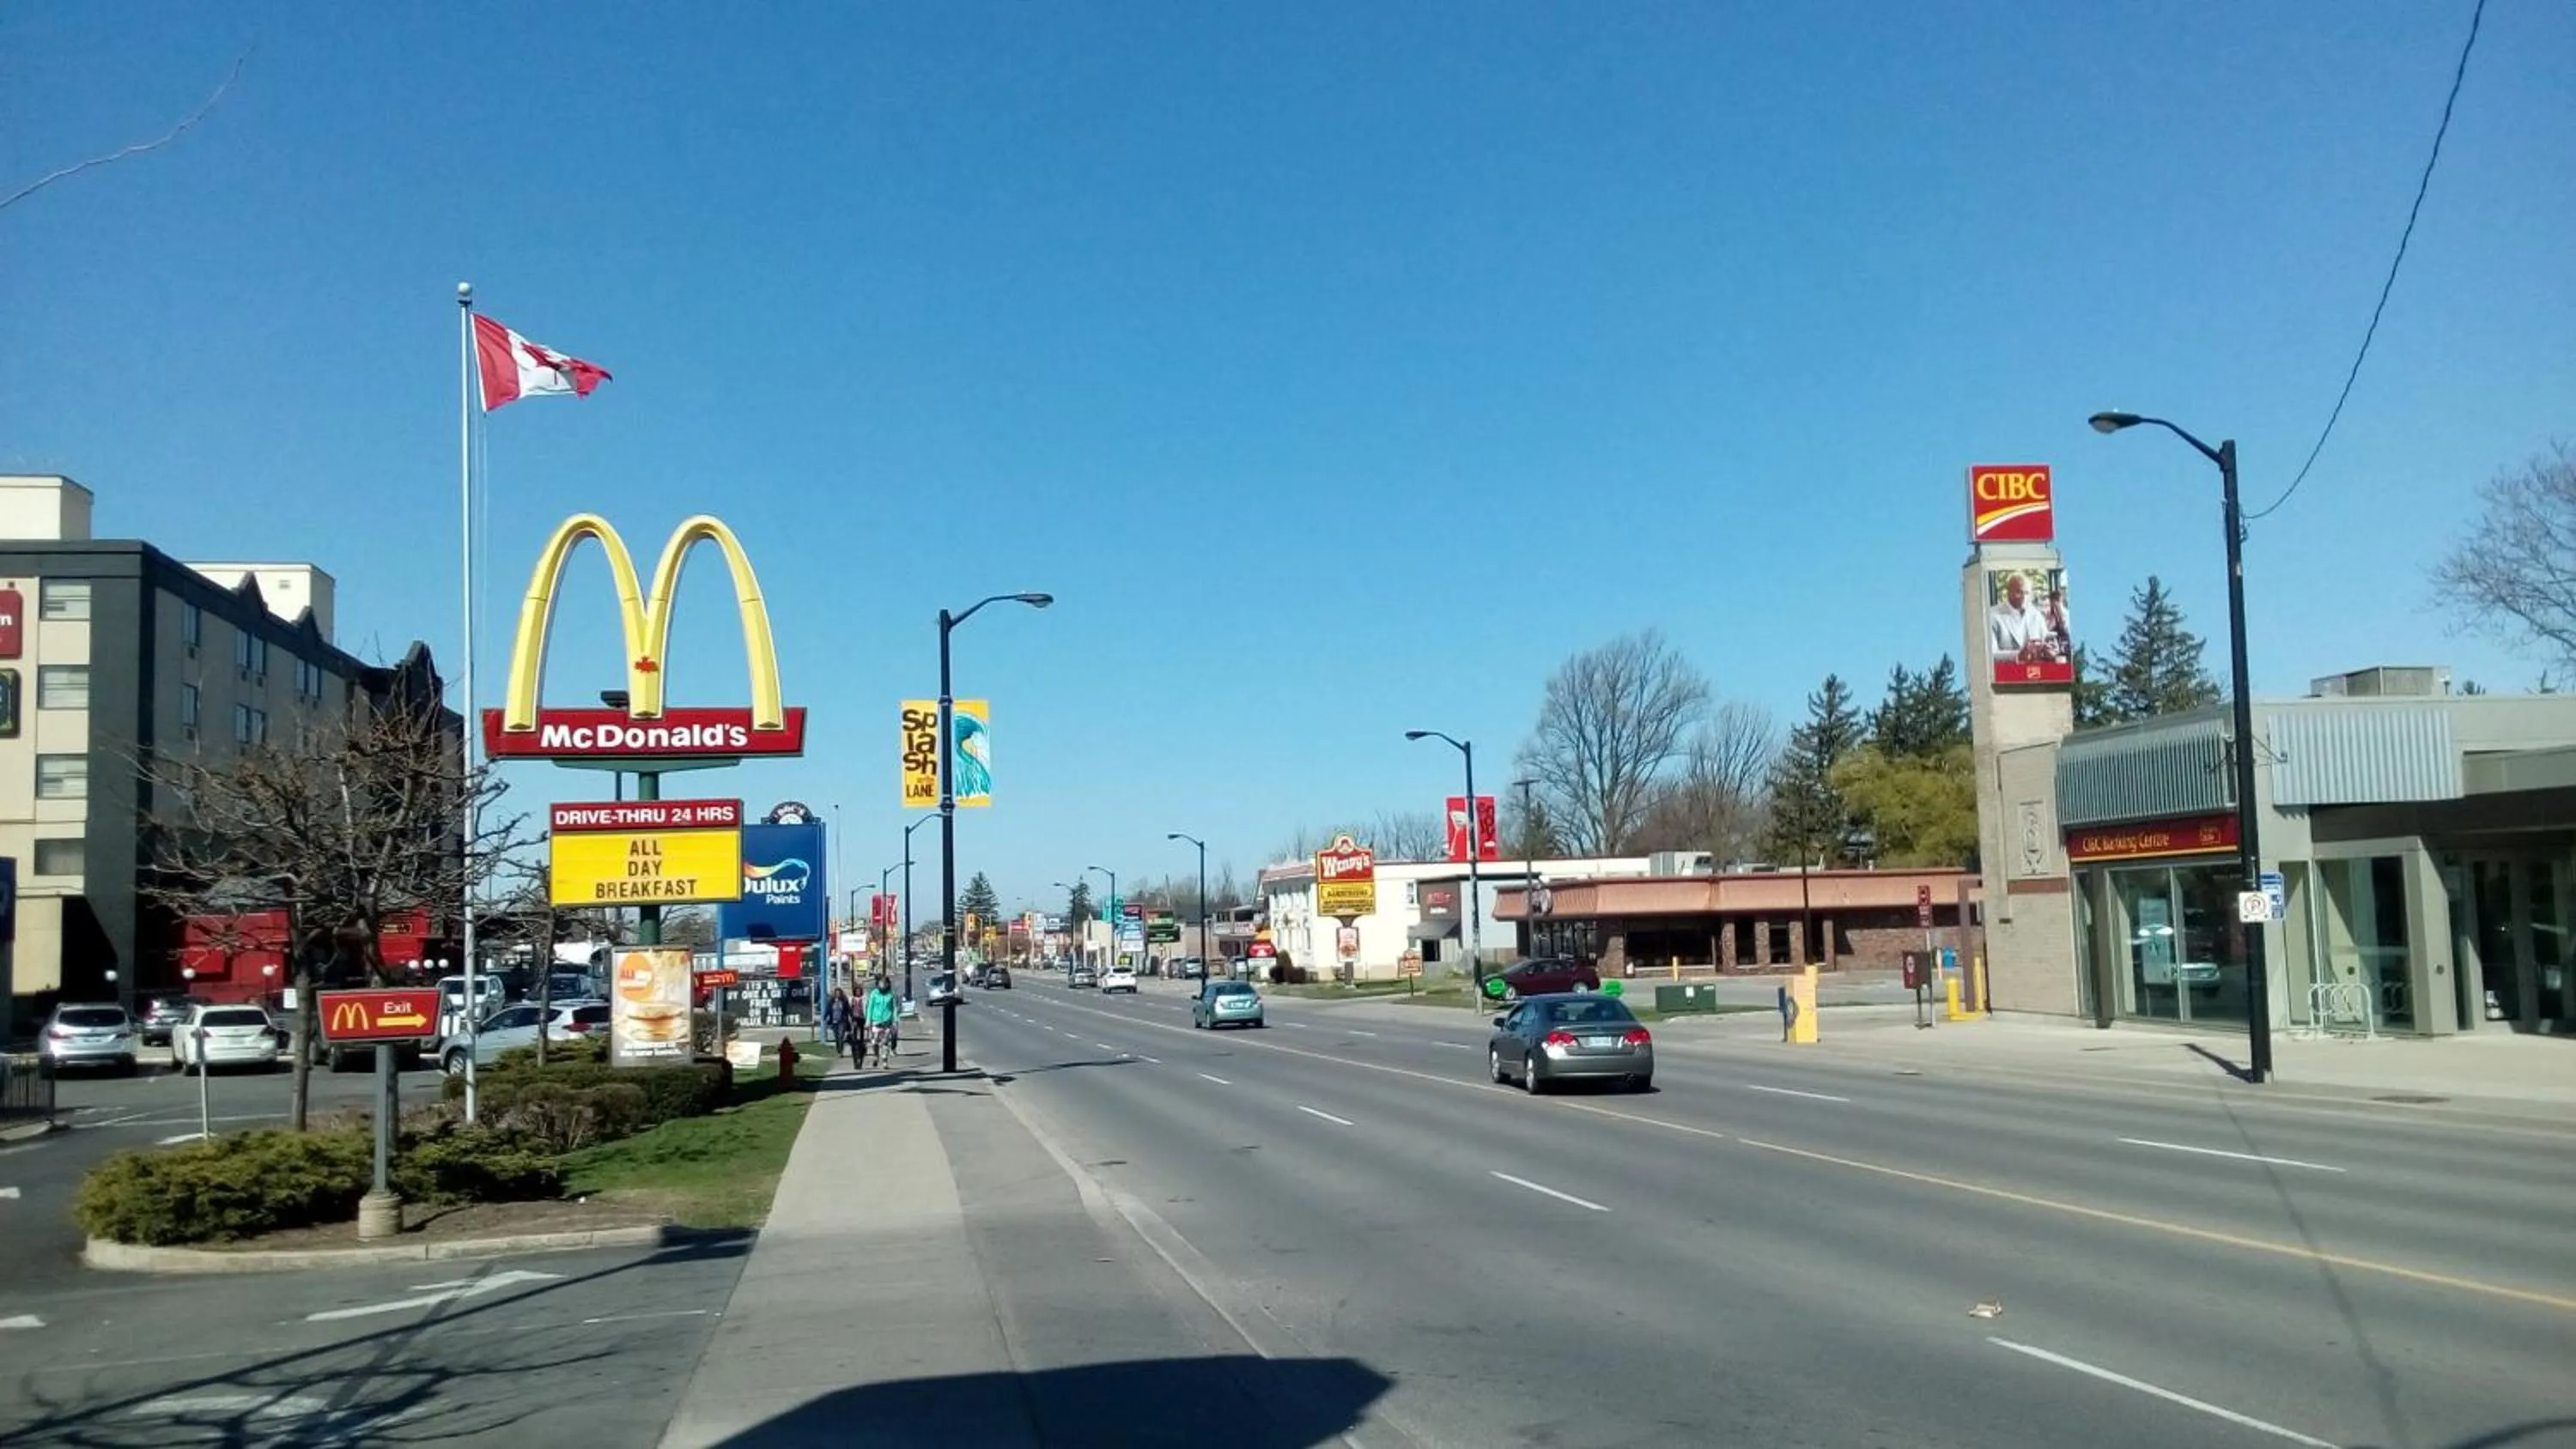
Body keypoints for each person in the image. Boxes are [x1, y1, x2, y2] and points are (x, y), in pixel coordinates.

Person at [1986, 571, 2054, 663]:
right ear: (2008, 592)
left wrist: (2051, 651)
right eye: (2019, 592)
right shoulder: (1992, 616)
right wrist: (2018, 655)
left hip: (2036, 673)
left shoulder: (2036, 616)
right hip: (2006, 674)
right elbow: (1990, 655)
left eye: (2027, 593)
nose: (2024, 597)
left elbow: (2047, 644)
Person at [862, 973, 901, 1068]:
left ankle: (885, 1061)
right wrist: (868, 1021)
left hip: (887, 1021)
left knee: (885, 1043)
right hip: (876, 1021)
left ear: (888, 984)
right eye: (881, 983)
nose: (883, 985)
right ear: (878, 984)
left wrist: (895, 1020)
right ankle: (876, 1056)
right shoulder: (874, 993)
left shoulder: (891, 994)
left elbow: (895, 1008)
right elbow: (870, 1007)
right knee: (874, 1042)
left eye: (884, 983)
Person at [824, 986, 854, 1062]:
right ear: (834, 994)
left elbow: (849, 1009)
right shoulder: (831, 1001)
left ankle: (841, 1052)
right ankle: (839, 1050)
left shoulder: (844, 1001)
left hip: (842, 1021)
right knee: (837, 1038)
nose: (838, 994)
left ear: (841, 994)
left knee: (841, 1036)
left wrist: (852, 1017)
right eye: (836, 993)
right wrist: (825, 1017)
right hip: (834, 1021)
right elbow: (828, 1009)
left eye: (839, 993)